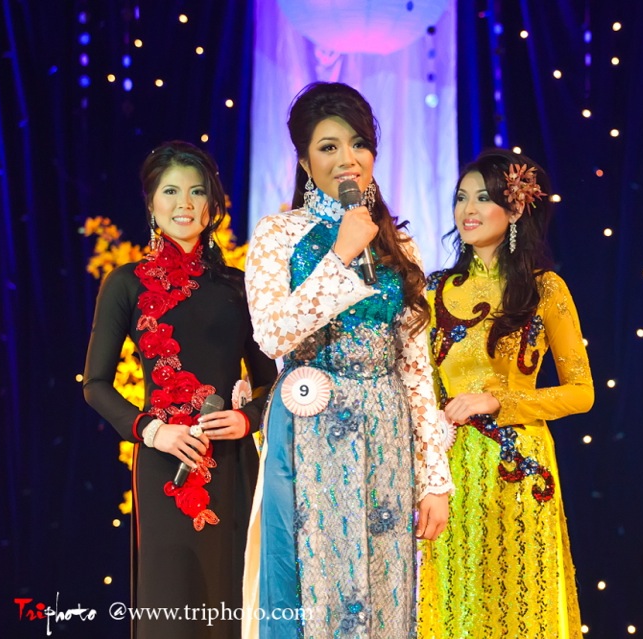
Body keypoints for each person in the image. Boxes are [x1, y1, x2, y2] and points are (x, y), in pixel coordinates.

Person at [240, 81, 453, 638]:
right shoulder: (276, 234)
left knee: (385, 592)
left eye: (358, 144)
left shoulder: (398, 245)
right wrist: (340, 254)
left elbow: (415, 369)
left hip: (386, 428)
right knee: (318, 588)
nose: (346, 159)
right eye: (328, 147)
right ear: (305, 161)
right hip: (311, 428)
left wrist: (434, 478)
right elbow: (272, 333)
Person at [83, 140, 277, 638]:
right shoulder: (125, 283)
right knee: (170, 605)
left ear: (211, 205)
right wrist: (152, 432)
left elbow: (271, 382)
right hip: (163, 463)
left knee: (232, 602)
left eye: (196, 192)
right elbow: (97, 385)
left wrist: (247, 419)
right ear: (151, 203)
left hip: (232, 462)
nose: (184, 204)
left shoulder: (240, 285)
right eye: (171, 191)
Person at [417, 149, 594, 639]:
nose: (467, 209)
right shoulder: (435, 292)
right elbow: (425, 395)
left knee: (522, 607)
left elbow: (582, 393)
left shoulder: (544, 289)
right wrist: (427, 473)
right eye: (460, 198)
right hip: (452, 472)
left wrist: (503, 401)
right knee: (457, 605)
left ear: (515, 211)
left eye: (484, 198)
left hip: (520, 469)